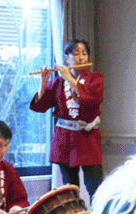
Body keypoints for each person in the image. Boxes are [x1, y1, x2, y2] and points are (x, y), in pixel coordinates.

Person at [30, 39, 104, 200]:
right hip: (66, 140)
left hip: (88, 138)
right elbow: (40, 107)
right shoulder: (57, 82)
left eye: (84, 54)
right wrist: (43, 83)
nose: (81, 58)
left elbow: (93, 99)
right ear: (67, 58)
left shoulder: (95, 78)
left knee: (95, 186)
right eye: (76, 54)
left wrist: (70, 79)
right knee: (70, 188)